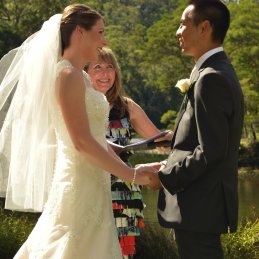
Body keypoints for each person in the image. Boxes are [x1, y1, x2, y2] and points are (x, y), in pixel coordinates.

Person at [0, 4, 156, 258]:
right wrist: (132, 175)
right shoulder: (68, 75)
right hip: (77, 184)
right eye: (100, 32)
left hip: (94, 184)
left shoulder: (81, 77)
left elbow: (95, 137)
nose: (104, 40)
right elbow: (81, 142)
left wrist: (136, 171)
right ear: (80, 33)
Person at [144, 0, 244, 258]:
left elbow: (211, 151)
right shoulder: (211, 70)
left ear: (205, 27)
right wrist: (174, 137)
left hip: (200, 207)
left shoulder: (212, 77)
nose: (178, 31)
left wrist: (165, 176)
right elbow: (206, 134)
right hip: (200, 208)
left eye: (183, 23)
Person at [86, 47, 173, 259]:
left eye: (110, 68)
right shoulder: (78, 104)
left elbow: (158, 139)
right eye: (98, 67)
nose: (105, 74)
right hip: (90, 186)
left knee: (122, 252)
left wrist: (180, 133)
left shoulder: (127, 106)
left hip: (124, 190)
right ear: (85, 72)